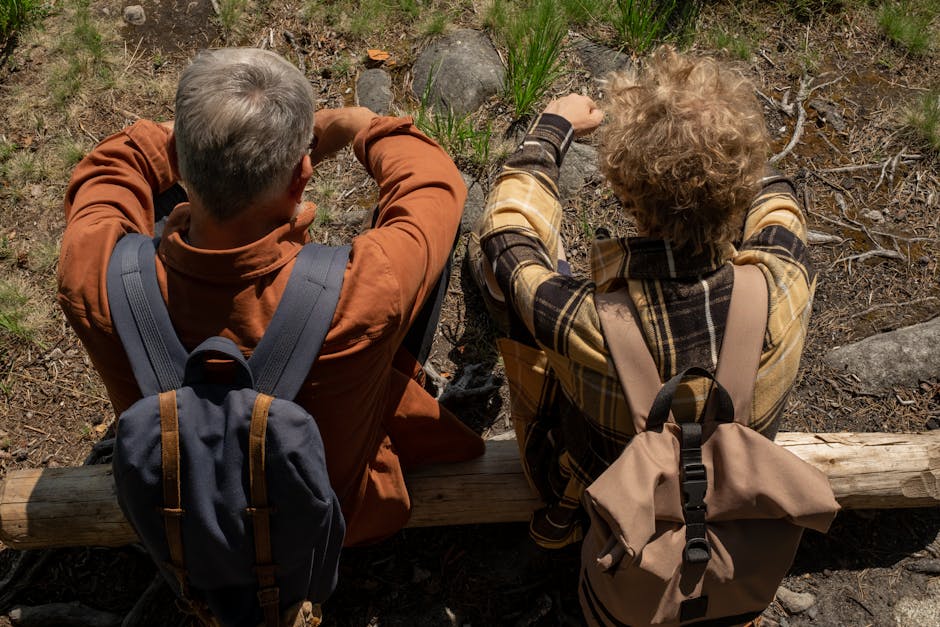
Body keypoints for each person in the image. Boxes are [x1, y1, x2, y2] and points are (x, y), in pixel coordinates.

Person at [58, 47, 484, 546]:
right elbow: (434, 182)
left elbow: (109, 169)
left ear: (177, 160)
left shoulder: (94, 275)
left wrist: (199, 138)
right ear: (302, 177)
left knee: (158, 210)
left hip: (181, 520)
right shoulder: (365, 291)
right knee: (432, 240)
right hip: (333, 519)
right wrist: (361, 125)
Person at [469, 46, 815, 548]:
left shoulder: (584, 319)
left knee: (503, 276)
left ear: (626, 194)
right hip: (730, 498)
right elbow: (779, 206)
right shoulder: (785, 282)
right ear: (740, 191)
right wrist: (728, 153)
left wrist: (551, 127)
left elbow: (506, 232)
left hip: (600, 500)